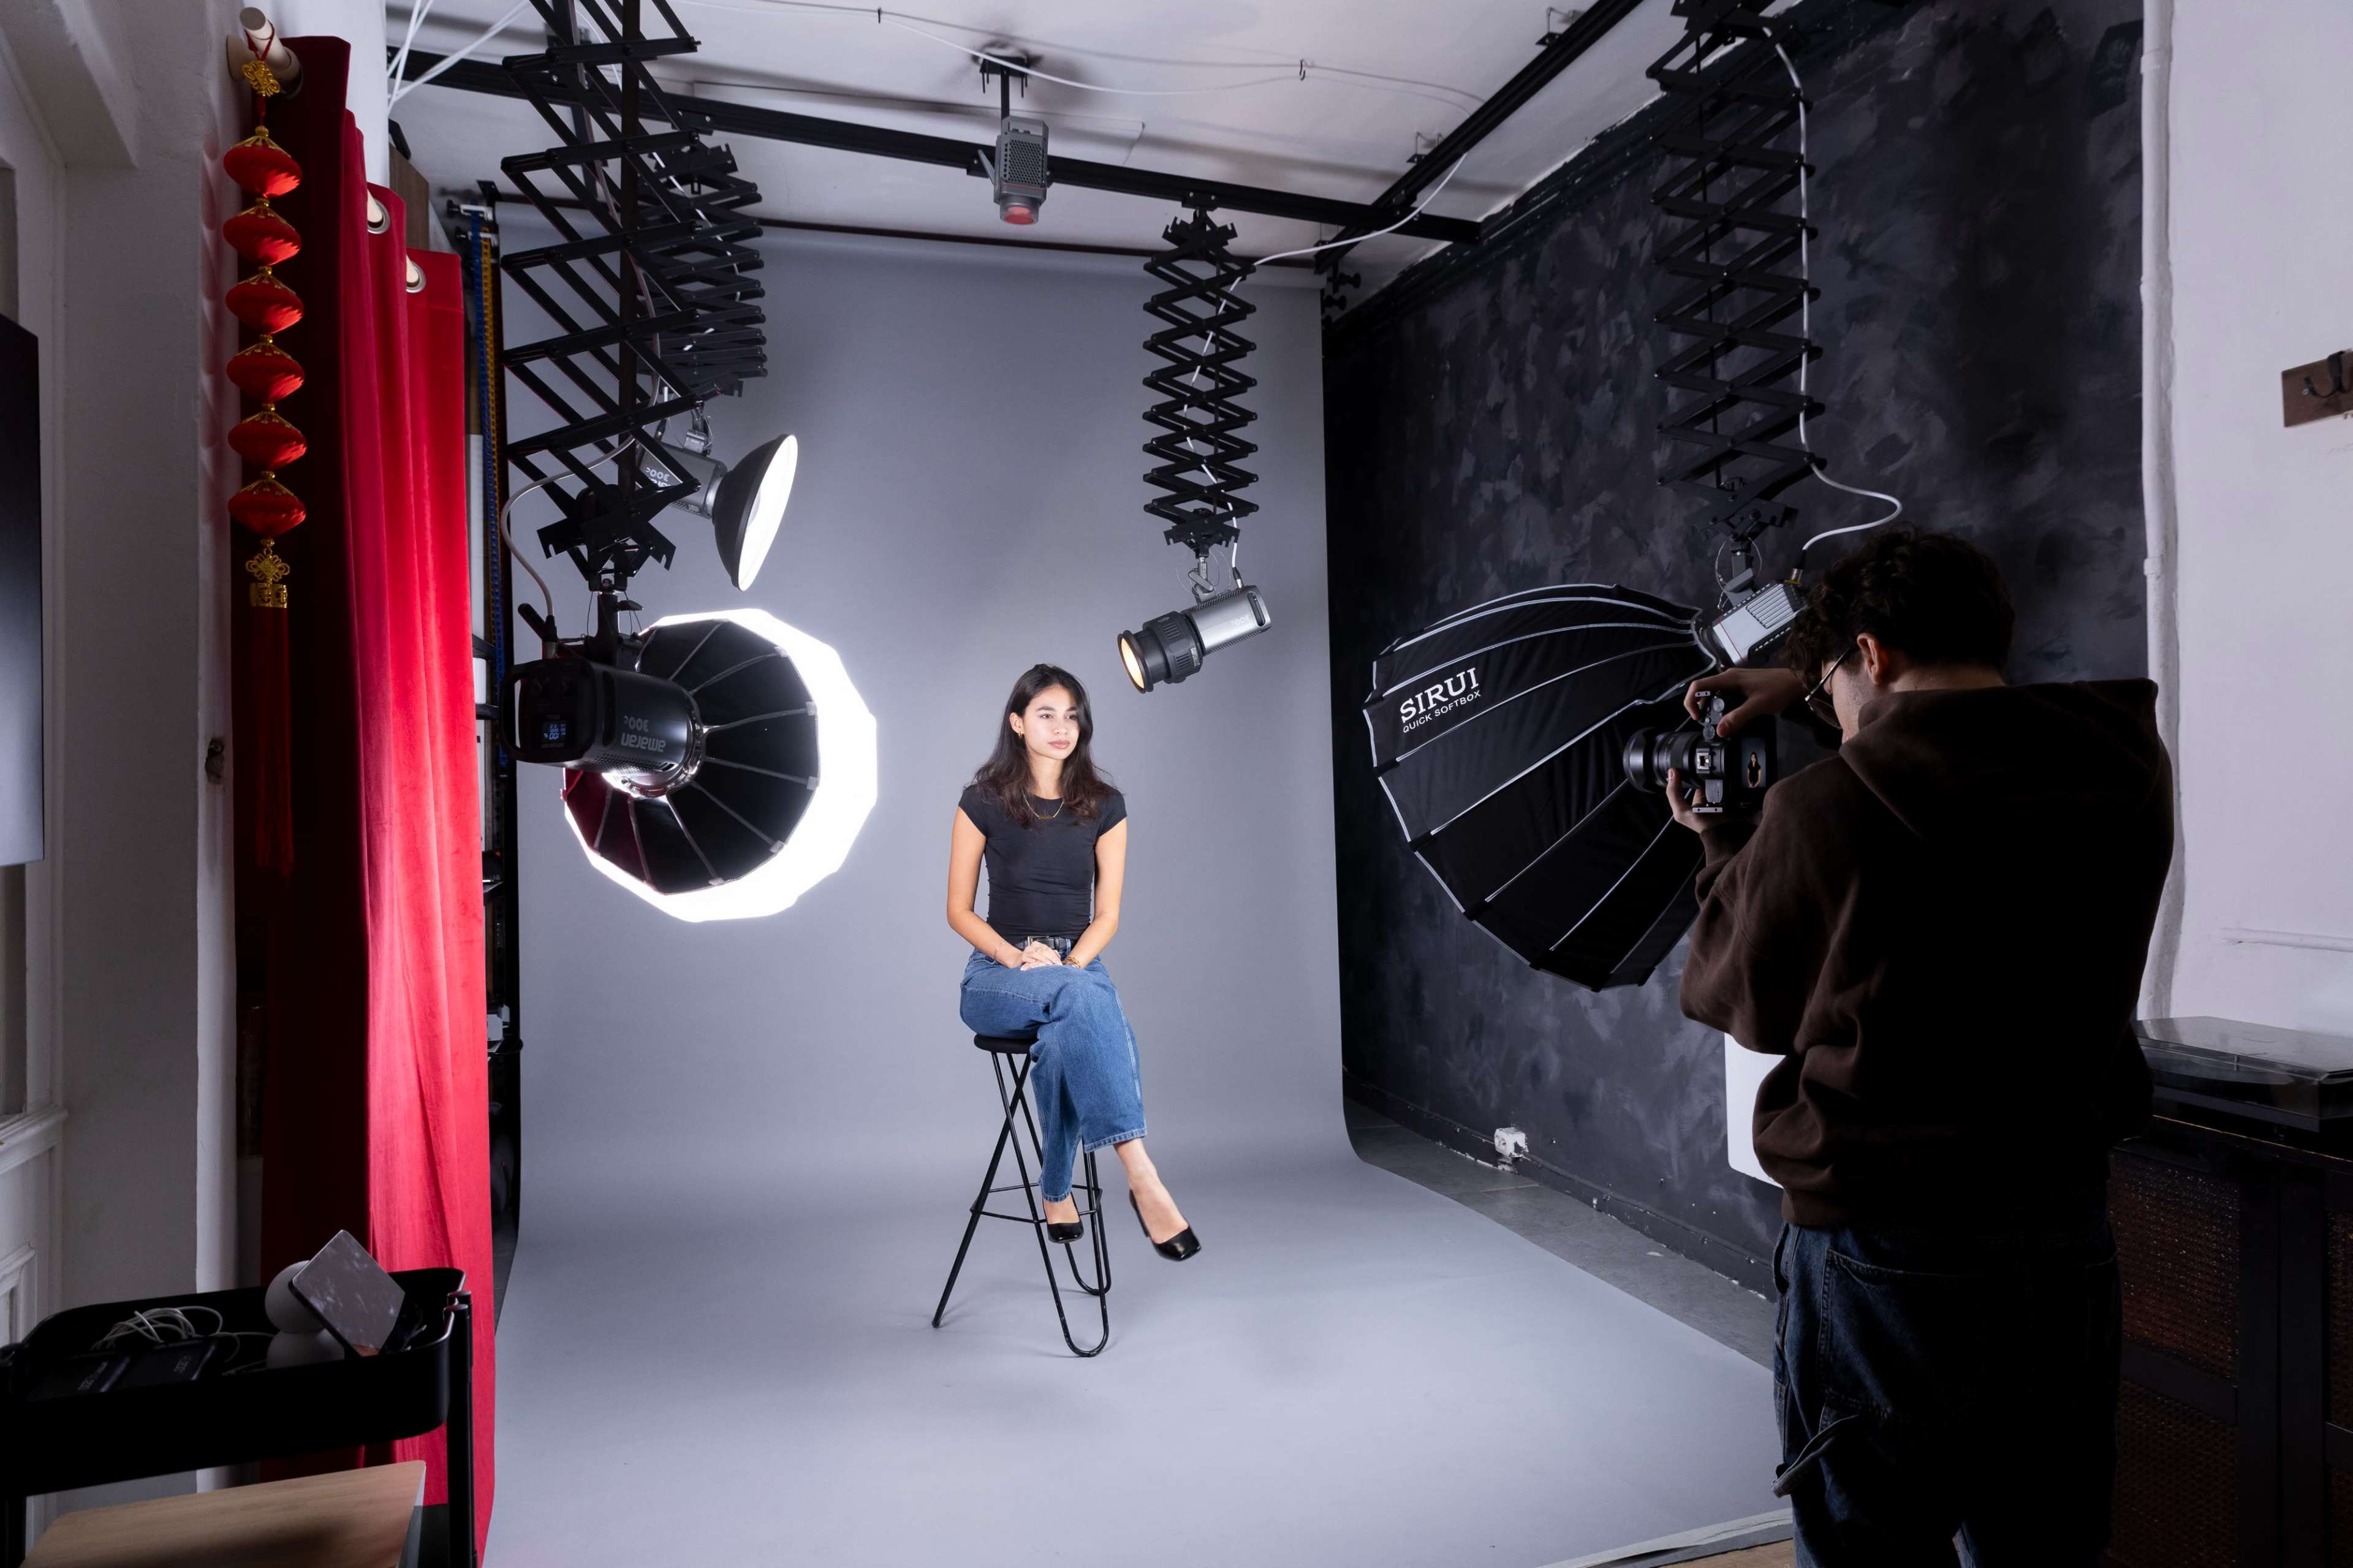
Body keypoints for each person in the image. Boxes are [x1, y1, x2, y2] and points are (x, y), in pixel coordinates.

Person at [1665, 529, 2172, 1566]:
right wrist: (1814, 675)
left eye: (1837, 678)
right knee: (2045, 1536)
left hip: (1885, 1249)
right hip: (2061, 1226)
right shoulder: (2124, 763)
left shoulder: (1821, 808)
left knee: (1871, 1539)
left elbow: (1740, 997)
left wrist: (1724, 847)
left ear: (1874, 653)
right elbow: (1943, 743)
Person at [945, 663, 1199, 1262]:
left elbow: (1107, 914)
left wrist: (1070, 964)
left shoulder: (1105, 805)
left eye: (1072, 715)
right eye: (1046, 715)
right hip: (997, 973)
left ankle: (1056, 1190)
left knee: (1068, 1026)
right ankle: (1143, 1176)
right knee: (1081, 1000)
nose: (1063, 728)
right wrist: (1016, 957)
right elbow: (958, 911)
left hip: (1078, 966)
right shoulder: (982, 801)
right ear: (1017, 723)